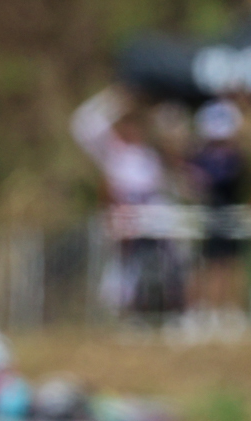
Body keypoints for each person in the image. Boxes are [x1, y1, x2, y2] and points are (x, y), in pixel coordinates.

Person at [71, 86, 181, 318]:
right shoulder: (113, 153)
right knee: (123, 267)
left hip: (154, 225)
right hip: (124, 223)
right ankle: (120, 311)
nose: (132, 130)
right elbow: (82, 124)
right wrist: (114, 97)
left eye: (135, 125)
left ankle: (160, 308)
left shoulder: (151, 156)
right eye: (127, 125)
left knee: (161, 264)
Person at [186, 98, 251, 330]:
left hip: (229, 215)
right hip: (207, 216)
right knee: (206, 264)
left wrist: (248, 104)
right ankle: (205, 310)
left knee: (231, 263)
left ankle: (230, 310)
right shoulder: (201, 157)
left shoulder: (235, 157)